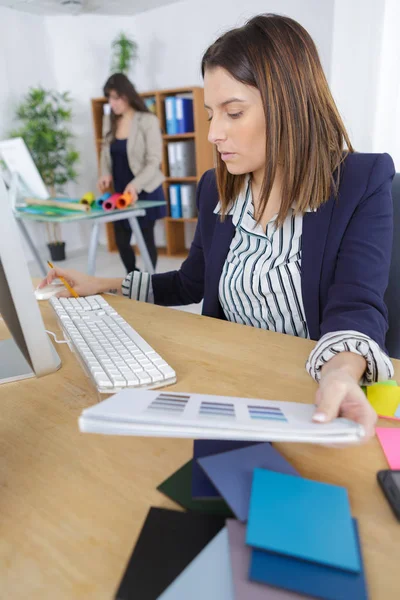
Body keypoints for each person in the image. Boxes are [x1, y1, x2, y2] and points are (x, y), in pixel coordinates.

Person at [40, 14, 395, 443]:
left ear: (289, 104)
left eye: (233, 112)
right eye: (211, 114)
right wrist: (102, 283)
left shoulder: (361, 181)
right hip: (228, 386)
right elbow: (191, 283)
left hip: (310, 396)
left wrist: (339, 373)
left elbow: (357, 306)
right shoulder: (216, 188)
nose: (213, 134)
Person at [99, 73, 167, 272]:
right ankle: (133, 278)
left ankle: (149, 282)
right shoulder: (108, 121)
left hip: (144, 188)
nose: (112, 103)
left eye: (115, 97)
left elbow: (154, 160)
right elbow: (105, 151)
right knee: (121, 240)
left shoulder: (147, 120)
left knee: (146, 240)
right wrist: (104, 173)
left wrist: (135, 185)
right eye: (109, 98)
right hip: (120, 192)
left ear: (127, 95)